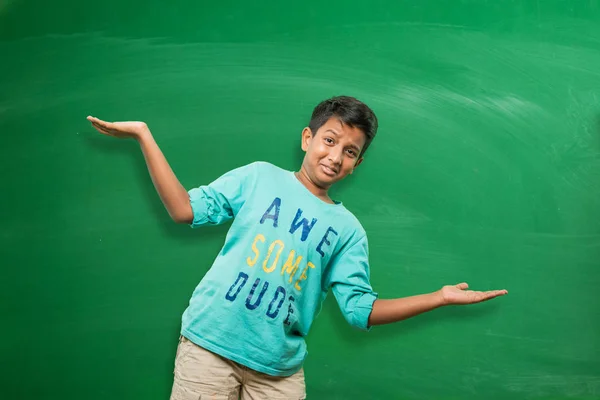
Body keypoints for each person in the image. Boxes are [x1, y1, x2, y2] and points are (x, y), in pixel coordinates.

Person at [87, 96, 507, 400]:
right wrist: (144, 136)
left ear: (357, 165)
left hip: (277, 371)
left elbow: (360, 311)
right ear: (307, 138)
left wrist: (439, 297)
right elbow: (184, 210)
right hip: (209, 349)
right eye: (328, 140)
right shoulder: (258, 177)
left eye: (349, 152)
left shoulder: (348, 230)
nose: (335, 156)